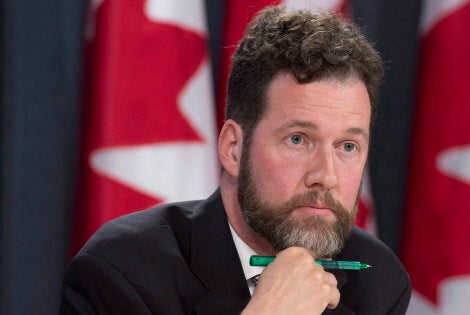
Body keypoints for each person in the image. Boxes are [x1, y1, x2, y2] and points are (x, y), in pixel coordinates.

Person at [60, 6, 410, 315]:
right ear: (232, 148)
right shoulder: (122, 272)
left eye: (347, 146)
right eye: (298, 140)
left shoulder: (378, 281)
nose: (326, 176)